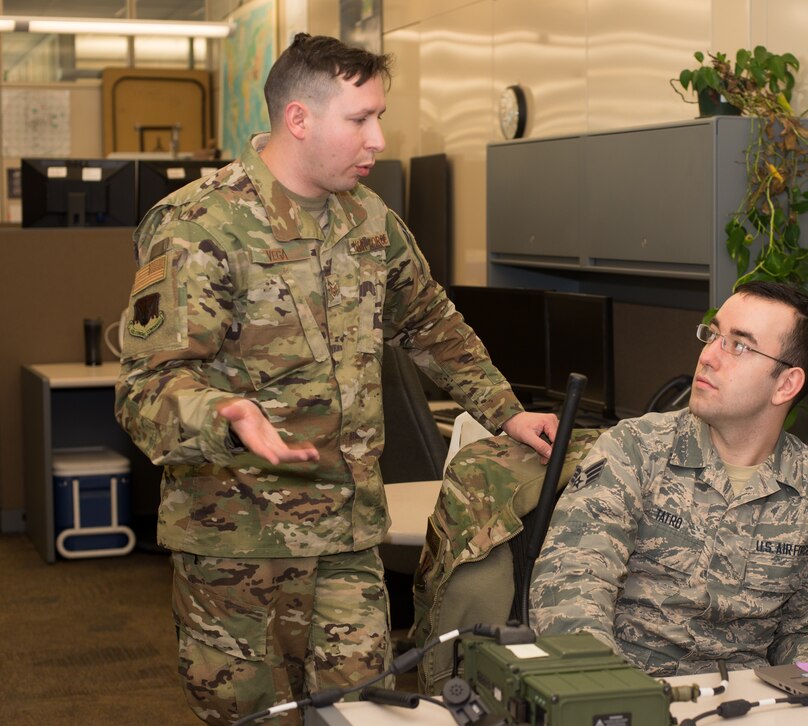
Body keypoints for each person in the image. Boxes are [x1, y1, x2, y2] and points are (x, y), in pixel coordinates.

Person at [114, 33, 557, 725]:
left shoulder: (369, 220)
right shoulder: (202, 224)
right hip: (237, 542)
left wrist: (506, 412)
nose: (378, 138)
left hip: (347, 535)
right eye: (360, 120)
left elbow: (431, 323)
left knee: (366, 712)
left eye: (380, 116)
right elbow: (149, 386)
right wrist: (225, 414)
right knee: (251, 717)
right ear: (299, 119)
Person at [530, 280, 808, 676]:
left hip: (748, 703)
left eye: (738, 345)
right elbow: (571, 585)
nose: (708, 356)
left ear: (786, 384)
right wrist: (614, 694)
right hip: (631, 690)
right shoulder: (635, 450)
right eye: (713, 335)